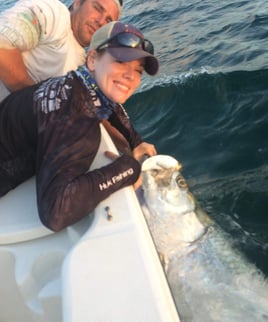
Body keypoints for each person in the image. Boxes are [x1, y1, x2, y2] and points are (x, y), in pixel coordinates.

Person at [0, 21, 159, 232]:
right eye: (121, 62)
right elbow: (55, 213)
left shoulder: (74, 83)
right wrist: (129, 168)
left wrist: (135, 141)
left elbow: (109, 104)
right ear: (92, 59)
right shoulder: (79, 124)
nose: (131, 76)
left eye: (138, 70)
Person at [0, 0, 123, 103]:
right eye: (97, 8)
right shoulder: (54, 15)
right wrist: (37, 105)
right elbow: (2, 43)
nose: (101, 21)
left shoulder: (82, 62)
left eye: (108, 21)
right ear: (78, 2)